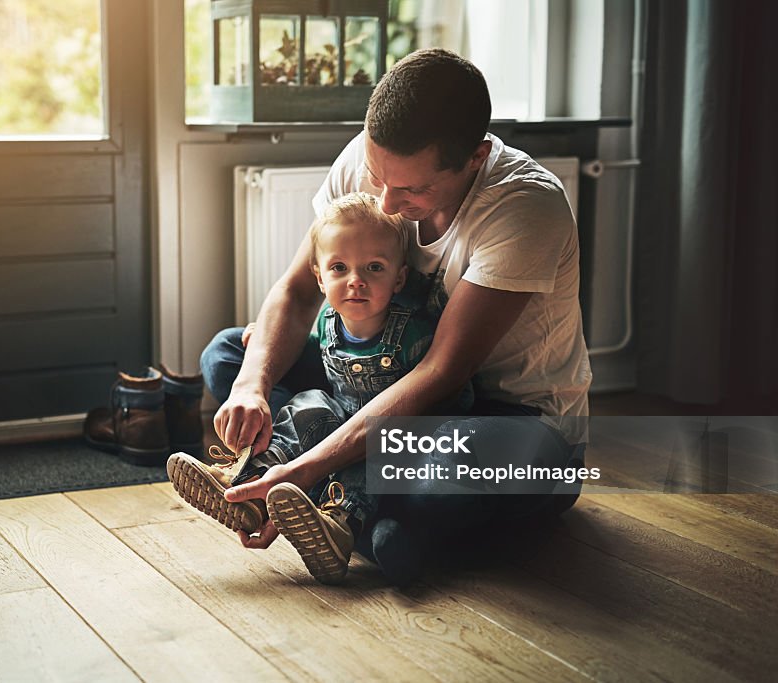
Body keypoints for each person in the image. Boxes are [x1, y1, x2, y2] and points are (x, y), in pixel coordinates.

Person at [202, 48, 592, 584]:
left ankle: (322, 493)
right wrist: (251, 386)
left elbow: (440, 373)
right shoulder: (373, 158)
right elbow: (298, 291)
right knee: (229, 355)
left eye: (412, 188)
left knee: (437, 485)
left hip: (507, 420)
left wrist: (311, 464)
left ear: (476, 157)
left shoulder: (526, 206)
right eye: (376, 174)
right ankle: (351, 508)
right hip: (374, 384)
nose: (385, 201)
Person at [168, 192, 470, 584]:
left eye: (374, 268)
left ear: (399, 277)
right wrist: (263, 338)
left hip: (397, 434)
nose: (356, 281)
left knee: (370, 456)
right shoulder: (329, 318)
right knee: (309, 404)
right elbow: (312, 346)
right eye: (339, 268)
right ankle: (251, 485)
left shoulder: (414, 330)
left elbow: (447, 392)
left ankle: (339, 523)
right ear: (319, 276)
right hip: (341, 418)